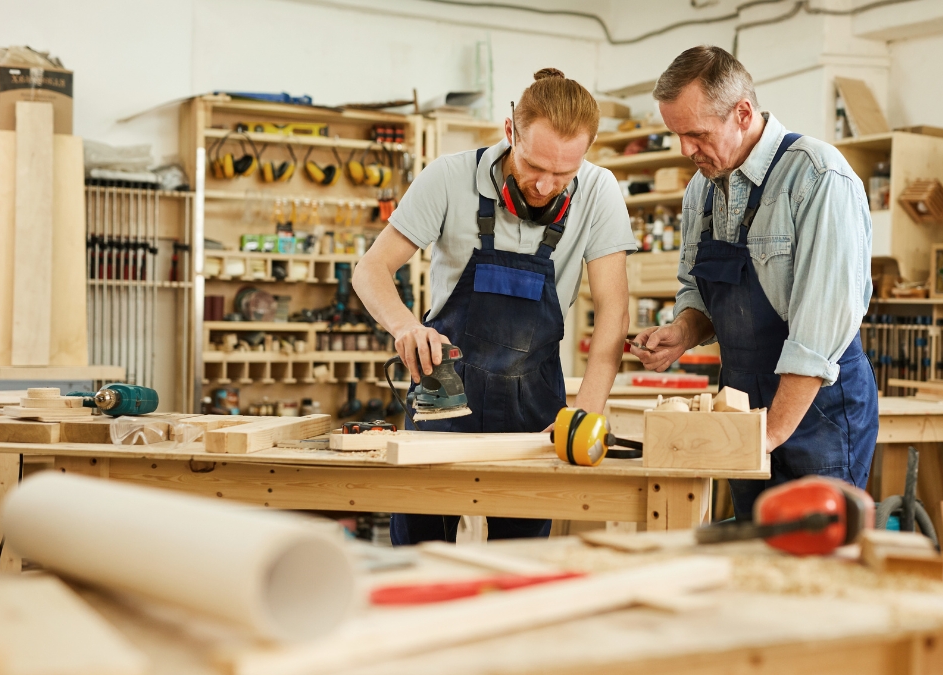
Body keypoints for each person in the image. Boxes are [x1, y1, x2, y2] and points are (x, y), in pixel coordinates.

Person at [353, 68, 636, 544]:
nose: (546, 186)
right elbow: (371, 270)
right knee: (422, 558)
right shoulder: (449, 177)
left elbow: (614, 311)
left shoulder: (599, 190)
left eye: (563, 173)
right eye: (534, 167)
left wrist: (588, 408)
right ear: (510, 133)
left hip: (535, 410)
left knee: (520, 560)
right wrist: (404, 326)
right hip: (445, 393)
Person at [633, 45, 878, 520]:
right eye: (676, 135)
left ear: (742, 112)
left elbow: (819, 330)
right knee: (754, 548)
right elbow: (698, 291)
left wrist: (769, 435)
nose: (685, 150)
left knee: (816, 559)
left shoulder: (817, 176)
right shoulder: (700, 189)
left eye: (696, 133)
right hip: (743, 404)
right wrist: (682, 332)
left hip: (820, 409)